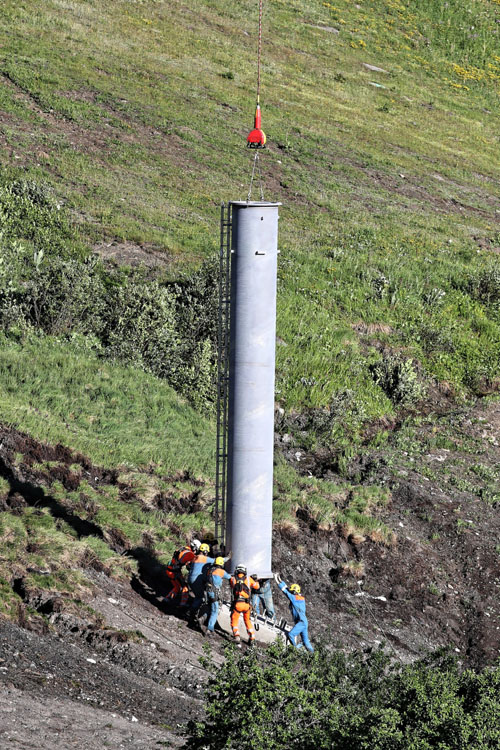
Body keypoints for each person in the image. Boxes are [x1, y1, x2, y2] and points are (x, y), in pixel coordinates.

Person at [275, 574, 314, 652]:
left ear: (295, 592)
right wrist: (280, 580)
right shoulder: (299, 598)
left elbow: (285, 591)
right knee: (306, 642)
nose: (291, 592)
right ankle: (313, 656)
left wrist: (277, 581)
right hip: (304, 622)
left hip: (301, 622)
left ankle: (295, 649)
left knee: (291, 635)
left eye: (292, 591)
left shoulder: (294, 598)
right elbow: (288, 590)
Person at [165, 539, 200, 607]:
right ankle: (183, 604)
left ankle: (167, 599)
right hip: (174, 572)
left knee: (177, 587)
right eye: (197, 549)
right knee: (185, 588)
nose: (196, 551)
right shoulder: (190, 554)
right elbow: (190, 566)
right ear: (195, 547)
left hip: (169, 569)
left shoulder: (184, 548)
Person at [230, 565, 259, 645]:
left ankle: (237, 636)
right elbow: (257, 586)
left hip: (237, 604)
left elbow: (232, 587)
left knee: (234, 621)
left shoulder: (232, 579)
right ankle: (252, 638)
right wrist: (255, 580)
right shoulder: (249, 580)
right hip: (247, 605)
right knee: (247, 621)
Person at [204, 557, 231, 636]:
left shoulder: (210, 570)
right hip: (214, 592)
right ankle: (210, 628)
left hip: (208, 591)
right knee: (215, 610)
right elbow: (229, 577)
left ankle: (205, 621)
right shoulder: (221, 571)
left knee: (210, 607)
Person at [187, 543, 215, 615]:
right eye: (207, 552)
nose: (207, 554)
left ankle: (193, 610)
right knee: (200, 596)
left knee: (198, 595)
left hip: (190, 579)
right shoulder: (204, 558)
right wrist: (227, 558)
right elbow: (216, 561)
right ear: (205, 551)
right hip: (196, 580)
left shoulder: (195, 557)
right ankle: (191, 612)